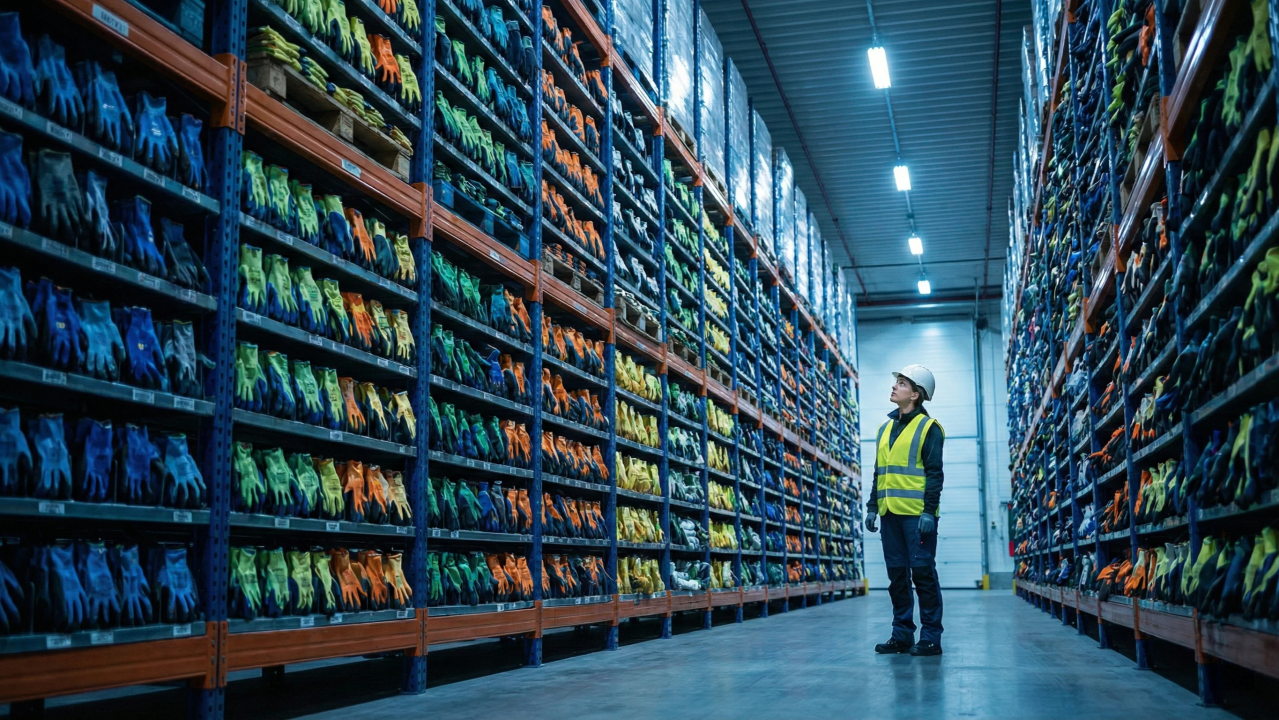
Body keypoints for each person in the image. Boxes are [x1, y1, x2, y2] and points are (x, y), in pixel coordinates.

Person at [865, 364, 945, 656]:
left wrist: (929, 511)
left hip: (916, 517)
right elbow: (879, 472)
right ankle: (902, 635)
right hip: (889, 515)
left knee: (922, 574)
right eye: (896, 382)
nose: (894, 387)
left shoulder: (929, 428)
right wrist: (873, 507)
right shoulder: (884, 429)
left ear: (915, 394)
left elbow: (935, 474)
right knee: (897, 577)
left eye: (901, 383)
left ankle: (931, 637)